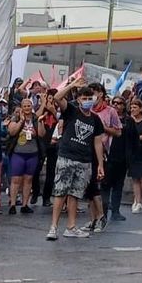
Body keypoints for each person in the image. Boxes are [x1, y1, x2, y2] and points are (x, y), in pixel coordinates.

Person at [47, 80, 105, 240]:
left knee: (75, 194)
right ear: (78, 99)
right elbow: (58, 97)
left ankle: (71, 227)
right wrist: (72, 86)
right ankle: (53, 227)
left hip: (84, 160)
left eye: (90, 98)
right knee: (60, 192)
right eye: (84, 98)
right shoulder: (71, 110)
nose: (87, 101)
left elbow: (98, 141)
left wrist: (100, 164)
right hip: (67, 156)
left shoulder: (95, 119)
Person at [87, 83, 123, 232]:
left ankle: (101, 216)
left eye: (93, 93)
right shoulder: (87, 110)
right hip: (86, 150)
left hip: (102, 152)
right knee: (89, 187)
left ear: (101, 94)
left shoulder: (110, 112)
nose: (91, 98)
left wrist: (102, 128)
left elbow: (118, 132)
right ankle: (92, 219)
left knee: (97, 187)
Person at [5, 97, 43, 214]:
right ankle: (12, 204)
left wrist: (38, 127)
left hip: (32, 153)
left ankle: (25, 204)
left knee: (28, 179)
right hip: (18, 153)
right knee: (16, 179)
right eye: (25, 106)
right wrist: (21, 121)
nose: (27, 108)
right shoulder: (15, 118)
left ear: (32, 107)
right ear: (21, 107)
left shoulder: (36, 119)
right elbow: (12, 132)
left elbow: (42, 135)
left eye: (29, 106)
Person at [102, 95, 131, 223]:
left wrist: (130, 157)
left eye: (119, 103)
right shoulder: (106, 118)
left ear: (124, 106)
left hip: (121, 158)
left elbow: (133, 140)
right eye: (113, 102)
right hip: (107, 156)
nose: (116, 105)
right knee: (105, 185)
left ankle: (115, 211)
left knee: (118, 186)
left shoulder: (128, 121)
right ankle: (102, 211)